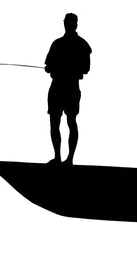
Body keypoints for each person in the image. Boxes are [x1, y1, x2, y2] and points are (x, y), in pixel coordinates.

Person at [45, 13, 92, 165]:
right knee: (55, 122)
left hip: (69, 87)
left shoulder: (81, 45)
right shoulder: (58, 43)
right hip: (59, 87)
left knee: (70, 121)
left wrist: (65, 68)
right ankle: (58, 157)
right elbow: (48, 66)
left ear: (75, 24)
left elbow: (86, 68)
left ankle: (69, 158)